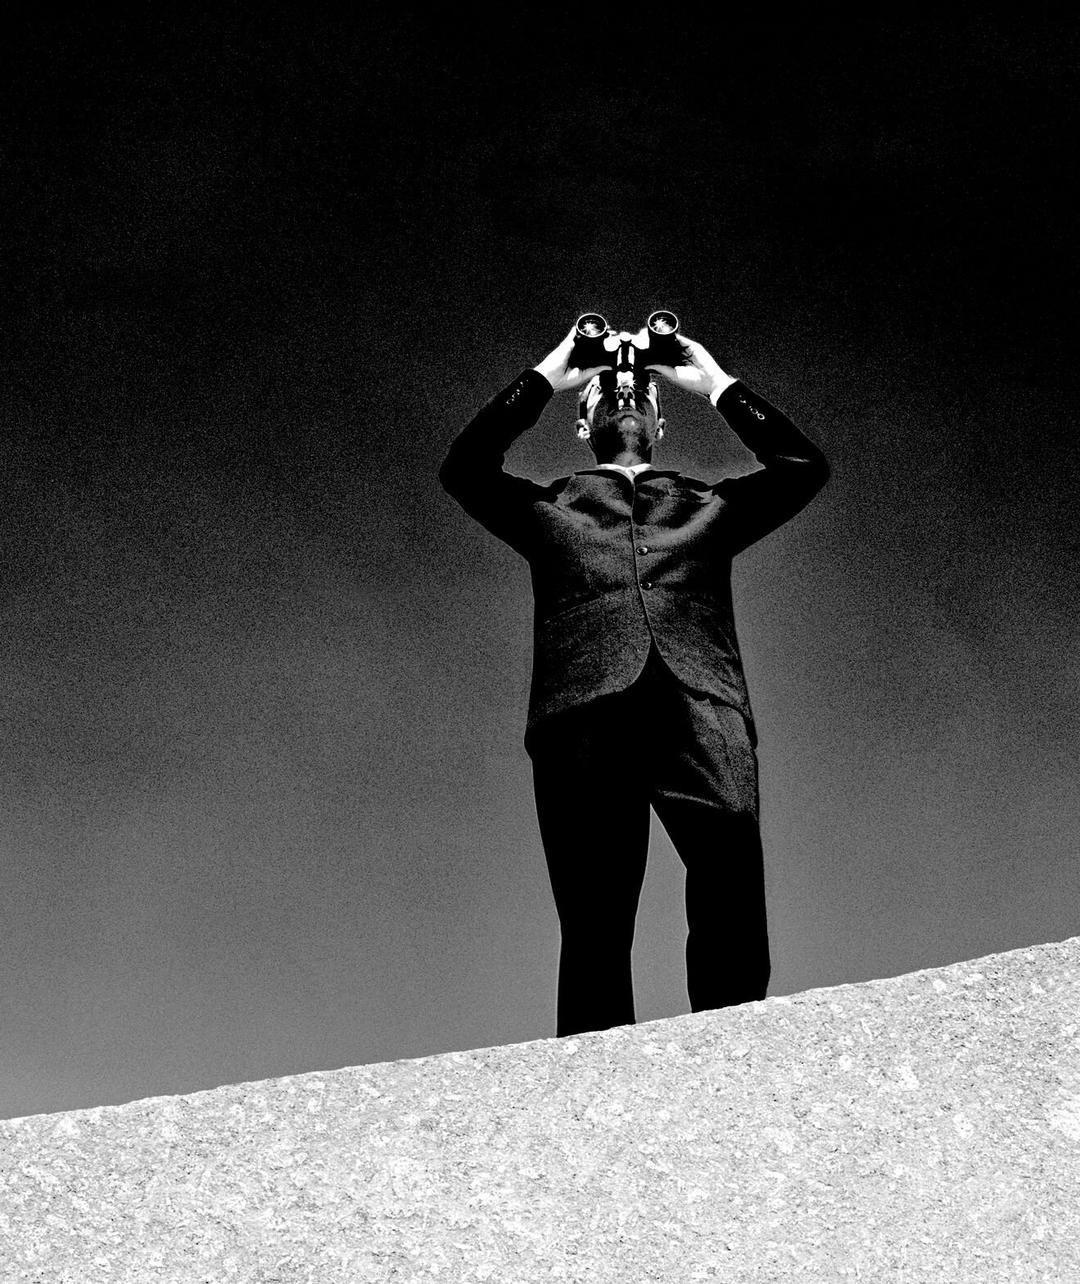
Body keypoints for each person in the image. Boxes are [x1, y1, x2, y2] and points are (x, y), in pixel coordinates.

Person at [438, 320, 829, 1037]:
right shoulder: (548, 508)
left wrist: (714, 381)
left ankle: (731, 1052)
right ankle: (592, 1089)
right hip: (582, 712)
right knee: (595, 917)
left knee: (731, 876)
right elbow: (464, 470)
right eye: (604, 391)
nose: (626, 391)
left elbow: (802, 467)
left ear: (660, 420)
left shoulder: (709, 508)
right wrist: (554, 370)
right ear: (582, 420)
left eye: (642, 390)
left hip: (702, 703)